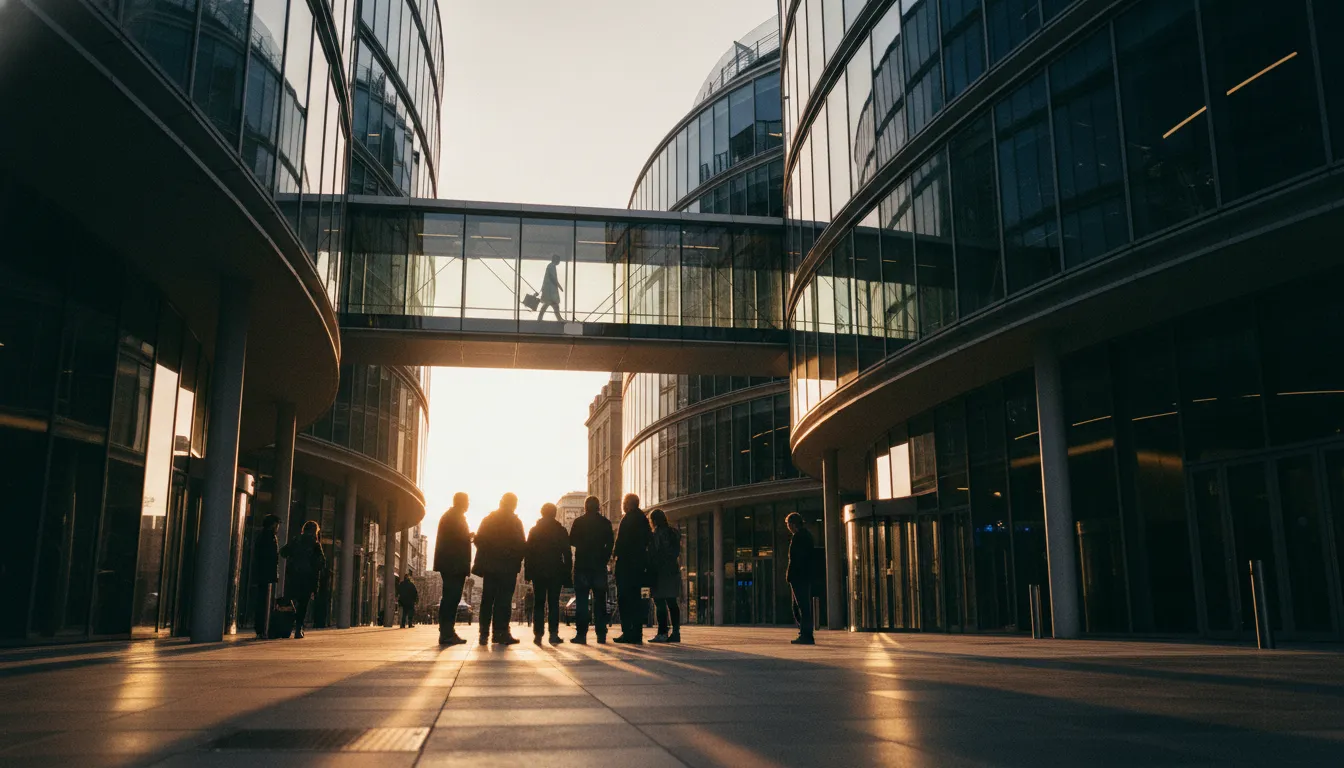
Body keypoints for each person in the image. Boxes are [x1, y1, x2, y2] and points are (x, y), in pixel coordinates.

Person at [472, 493, 526, 645]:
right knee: (504, 601)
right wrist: (515, 557)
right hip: (507, 567)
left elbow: (479, 540)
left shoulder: (489, 519)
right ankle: (500, 633)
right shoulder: (515, 522)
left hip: (491, 566)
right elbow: (522, 544)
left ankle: (484, 634)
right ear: (514, 504)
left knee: (488, 599)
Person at [568, 495, 614, 644]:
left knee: (582, 600)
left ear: (586, 507)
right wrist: (604, 558)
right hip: (599, 567)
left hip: (582, 565)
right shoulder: (605, 523)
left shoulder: (579, 522)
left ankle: (581, 634)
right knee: (600, 600)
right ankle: (601, 634)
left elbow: (572, 540)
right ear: (598, 506)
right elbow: (610, 543)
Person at [525, 503, 572, 645]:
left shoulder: (534, 530)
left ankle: (538, 634)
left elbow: (529, 553)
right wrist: (567, 573)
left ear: (542, 513)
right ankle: (553, 634)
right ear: (555, 513)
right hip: (555, 571)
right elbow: (567, 554)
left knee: (538, 603)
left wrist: (528, 573)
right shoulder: (560, 530)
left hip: (538, 571)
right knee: (553, 603)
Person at [434, 492, 472, 645]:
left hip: (451, 564)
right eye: (467, 501)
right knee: (452, 598)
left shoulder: (452, 516)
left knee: (450, 598)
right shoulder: (454, 517)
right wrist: (468, 537)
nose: (468, 504)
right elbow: (457, 540)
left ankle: (446, 631)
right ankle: (447, 632)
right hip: (453, 565)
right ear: (461, 502)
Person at [613, 493, 651, 644]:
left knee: (625, 599)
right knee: (636, 600)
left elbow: (620, 542)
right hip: (640, 566)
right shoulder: (643, 519)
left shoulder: (627, 519)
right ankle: (637, 632)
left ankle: (627, 632)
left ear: (627, 504)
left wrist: (615, 556)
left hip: (627, 566)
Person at [281, 520, 326, 639]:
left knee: (293, 600)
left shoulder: (296, 540)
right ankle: (298, 627)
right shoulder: (315, 543)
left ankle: (289, 623)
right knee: (303, 603)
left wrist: (293, 559)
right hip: (307, 578)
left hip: (294, 576)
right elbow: (322, 562)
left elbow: (283, 552)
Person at [647, 509, 682, 644]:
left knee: (660, 602)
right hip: (673, 571)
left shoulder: (656, 534)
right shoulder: (673, 532)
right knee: (672, 602)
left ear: (654, 521)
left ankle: (662, 632)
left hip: (660, 572)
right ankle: (676, 632)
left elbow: (653, 554)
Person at [785, 512, 816, 645]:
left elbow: (795, 559)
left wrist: (790, 575)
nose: (788, 527)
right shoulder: (806, 535)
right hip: (804, 575)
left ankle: (806, 635)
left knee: (802, 606)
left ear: (792, 524)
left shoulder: (799, 537)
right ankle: (805, 633)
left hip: (799, 576)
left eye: (788, 525)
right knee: (800, 606)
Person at [251, 514, 280, 639]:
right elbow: (270, 558)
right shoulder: (268, 537)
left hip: (263, 573)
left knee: (263, 601)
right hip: (265, 574)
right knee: (263, 601)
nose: (278, 527)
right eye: (277, 524)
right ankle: (262, 629)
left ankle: (262, 628)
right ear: (273, 524)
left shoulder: (263, 536)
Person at [537, 254, 564, 321]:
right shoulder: (551, 266)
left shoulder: (551, 266)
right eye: (558, 260)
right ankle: (559, 318)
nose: (559, 262)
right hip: (550, 291)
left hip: (550, 290)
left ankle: (540, 319)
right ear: (556, 260)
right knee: (553, 304)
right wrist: (559, 286)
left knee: (550, 305)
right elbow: (552, 278)